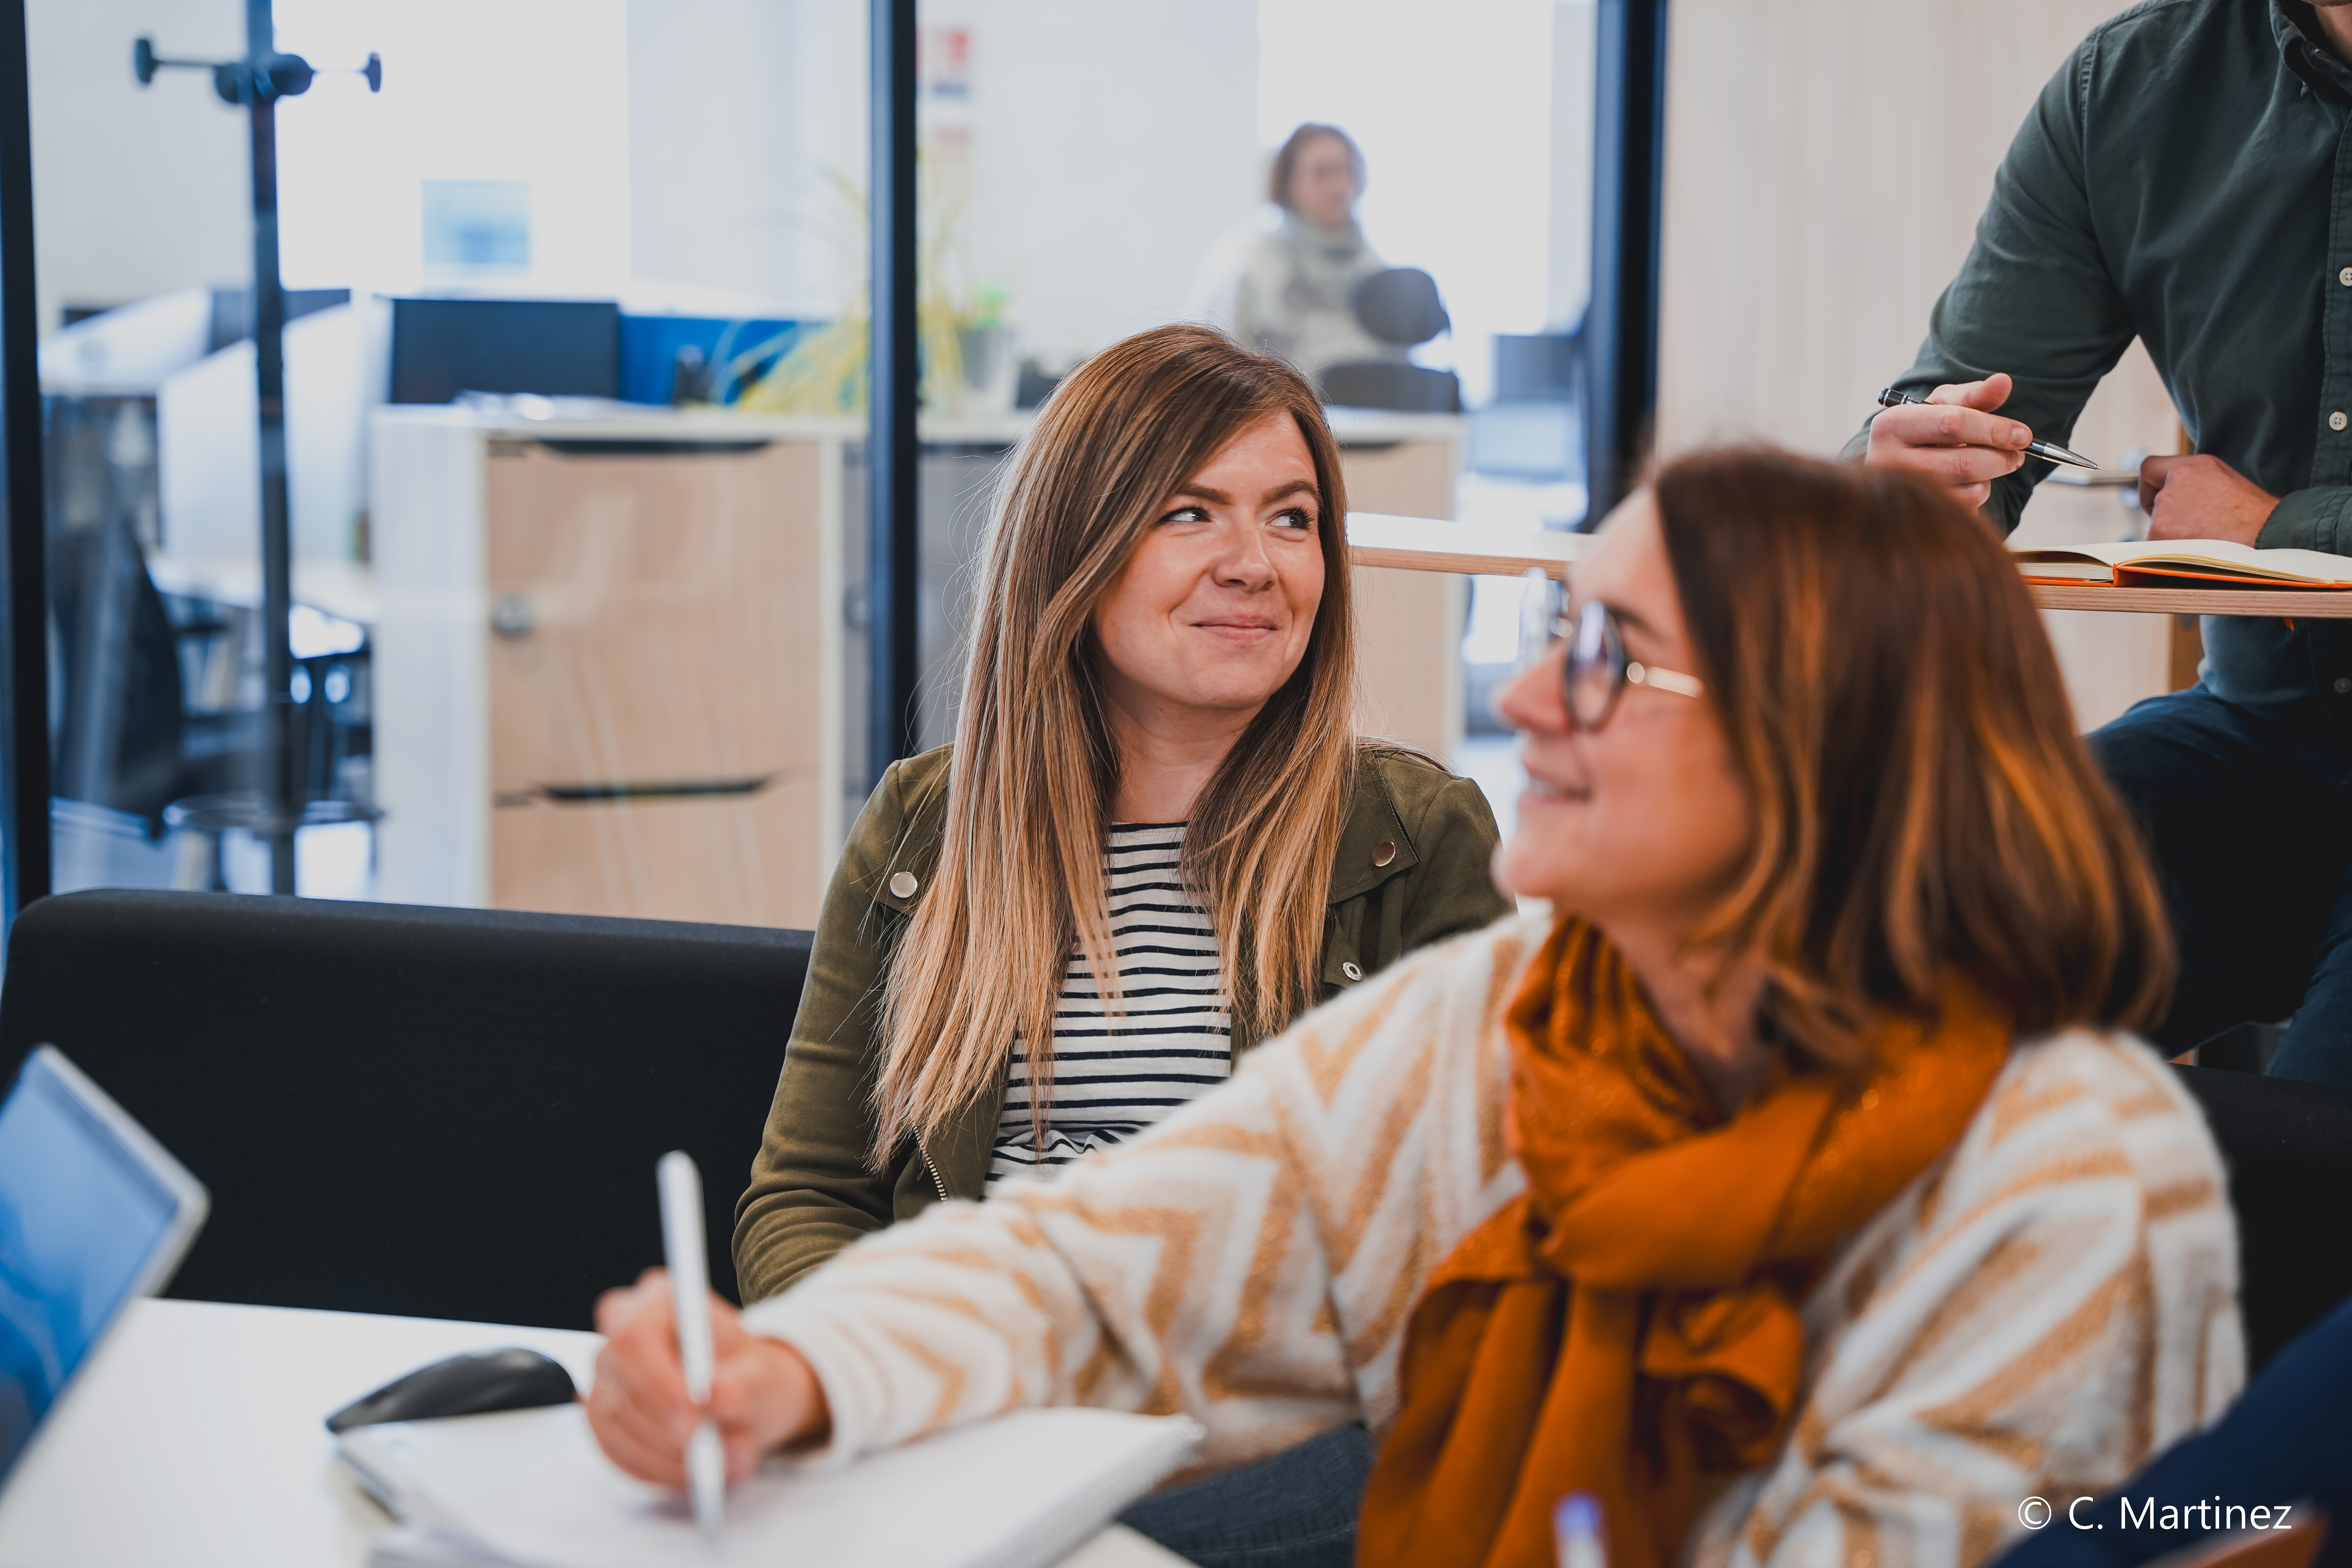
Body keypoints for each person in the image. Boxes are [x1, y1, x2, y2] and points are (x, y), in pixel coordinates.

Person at [591, 450, 2243, 1568]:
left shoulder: (2068, 1169)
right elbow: (1094, 1264)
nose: (1522, 696)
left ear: (1820, 737)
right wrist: (789, 1374)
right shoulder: (1517, 1018)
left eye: (1605, 654)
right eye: (1550, 632)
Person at [732, 321, 1510, 1565]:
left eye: (1294, 518)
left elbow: (1476, 1252)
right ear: (1075, 551)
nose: (1257, 562)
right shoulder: (927, 827)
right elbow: (807, 1193)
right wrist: (855, 1370)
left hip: (1272, 1446)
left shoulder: (1412, 834)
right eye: (1191, 514)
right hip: (977, 1413)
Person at [1856, 0, 2352, 1084]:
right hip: (2267, 739)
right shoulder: (2135, 85)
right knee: (1890, 963)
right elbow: (1964, 401)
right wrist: (1911, 484)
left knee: (2312, 1185)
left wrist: (2281, 531)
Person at [1190, 123, 1403, 381]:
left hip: (1367, 416)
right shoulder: (1248, 259)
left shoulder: (1372, 265)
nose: (1339, 186)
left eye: (1347, 170)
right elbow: (1207, 363)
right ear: (1288, 183)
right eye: (1321, 174)